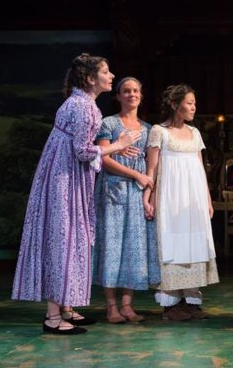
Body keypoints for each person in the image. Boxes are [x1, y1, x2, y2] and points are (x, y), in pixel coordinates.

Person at [12, 54, 142, 334]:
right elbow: (83, 151)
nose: (111, 76)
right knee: (64, 238)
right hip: (64, 180)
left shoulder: (84, 104)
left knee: (70, 237)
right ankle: (53, 316)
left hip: (68, 176)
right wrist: (116, 144)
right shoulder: (84, 107)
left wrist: (116, 148)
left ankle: (66, 307)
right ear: (90, 78)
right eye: (106, 72)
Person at [143, 84, 218, 321]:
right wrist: (148, 196)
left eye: (195, 103)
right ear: (175, 105)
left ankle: (192, 301)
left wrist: (207, 199)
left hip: (193, 198)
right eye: (189, 102)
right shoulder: (159, 131)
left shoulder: (195, 133)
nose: (194, 107)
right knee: (173, 244)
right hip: (170, 196)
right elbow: (151, 168)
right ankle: (171, 303)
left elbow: (199, 168)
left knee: (194, 243)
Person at [92, 77, 160, 324]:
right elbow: (104, 159)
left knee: (134, 246)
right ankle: (111, 306)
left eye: (135, 91)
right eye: (126, 91)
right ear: (118, 96)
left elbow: (152, 165)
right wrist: (136, 175)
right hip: (113, 190)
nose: (131, 94)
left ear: (141, 95)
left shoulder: (148, 128)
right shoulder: (108, 123)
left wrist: (147, 196)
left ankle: (127, 305)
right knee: (112, 245)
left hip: (137, 193)